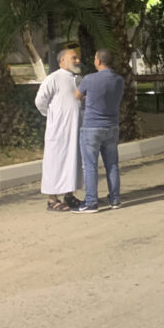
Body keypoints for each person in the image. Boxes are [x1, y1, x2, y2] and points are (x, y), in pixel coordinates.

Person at [73, 48, 125, 213]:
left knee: (90, 166)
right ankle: (115, 199)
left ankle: (91, 202)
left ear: (99, 61)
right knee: (112, 165)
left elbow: (77, 95)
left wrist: (88, 97)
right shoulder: (119, 80)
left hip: (92, 127)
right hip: (112, 126)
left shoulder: (89, 79)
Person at [34, 48, 83, 212]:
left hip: (75, 129)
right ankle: (52, 199)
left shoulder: (78, 79)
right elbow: (40, 101)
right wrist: (52, 116)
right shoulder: (53, 78)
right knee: (55, 162)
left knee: (72, 162)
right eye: (73, 58)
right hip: (58, 130)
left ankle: (69, 195)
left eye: (77, 58)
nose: (77, 61)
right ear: (62, 61)